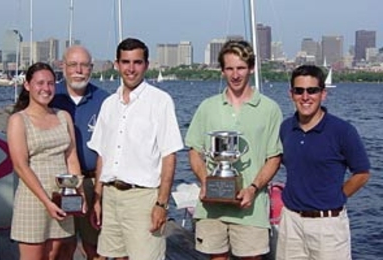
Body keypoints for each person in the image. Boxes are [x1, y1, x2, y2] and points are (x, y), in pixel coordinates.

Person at [185, 40, 283, 260]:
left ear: (251, 68)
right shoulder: (207, 107)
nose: (235, 74)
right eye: (229, 68)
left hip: (252, 208)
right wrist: (206, 182)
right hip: (212, 209)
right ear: (222, 71)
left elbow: (274, 157)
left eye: (240, 68)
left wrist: (252, 188)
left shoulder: (269, 109)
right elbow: (194, 150)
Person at [87, 37, 184, 260]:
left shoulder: (160, 101)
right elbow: (102, 154)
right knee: (113, 256)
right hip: (110, 197)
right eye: (126, 62)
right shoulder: (109, 104)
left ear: (146, 65)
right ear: (117, 64)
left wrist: (162, 203)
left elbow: (169, 156)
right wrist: (98, 198)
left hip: (143, 198)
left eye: (137, 62)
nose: (131, 69)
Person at [276, 65, 370, 260]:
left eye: (312, 90)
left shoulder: (342, 131)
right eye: (299, 90)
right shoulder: (286, 128)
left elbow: (362, 173)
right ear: (291, 94)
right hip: (291, 222)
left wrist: (337, 196)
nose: (305, 96)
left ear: (323, 94)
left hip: (327, 225)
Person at [7, 62, 84, 259]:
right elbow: (20, 166)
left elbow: (71, 158)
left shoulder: (63, 116)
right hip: (33, 198)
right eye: (40, 83)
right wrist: (45, 200)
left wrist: (80, 194)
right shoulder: (18, 120)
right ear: (27, 86)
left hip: (61, 196)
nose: (46, 88)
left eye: (50, 83)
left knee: (56, 255)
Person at [51, 45, 109, 260]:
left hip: (93, 181)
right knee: (60, 248)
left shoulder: (104, 100)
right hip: (57, 183)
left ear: (91, 69)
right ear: (63, 67)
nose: (78, 70)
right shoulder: (50, 95)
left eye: (84, 65)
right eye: (73, 64)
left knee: (95, 247)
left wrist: (99, 194)